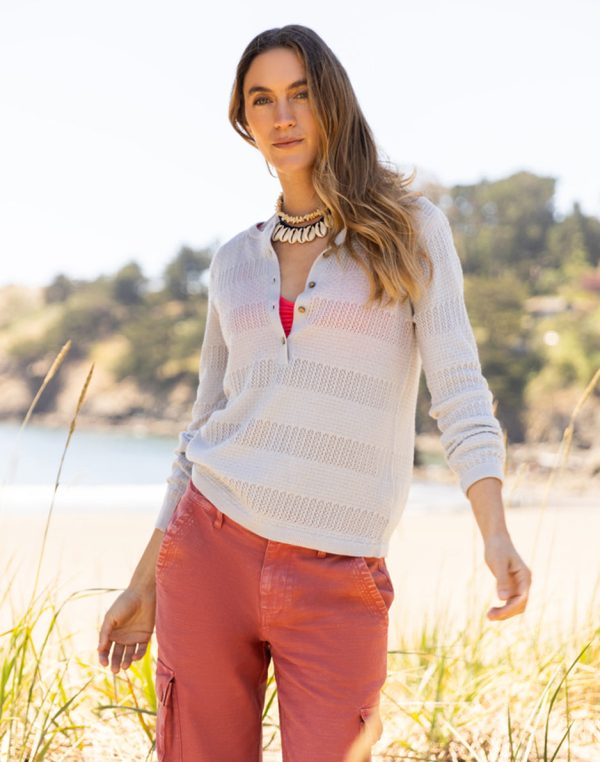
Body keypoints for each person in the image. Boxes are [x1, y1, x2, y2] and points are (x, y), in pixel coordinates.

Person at [97, 24, 532, 762]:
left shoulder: (410, 231)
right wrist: (144, 582)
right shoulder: (233, 263)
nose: (283, 116)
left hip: (339, 569)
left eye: (300, 94)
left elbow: (459, 391)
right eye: (261, 100)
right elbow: (203, 430)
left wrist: (495, 533)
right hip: (208, 550)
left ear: (333, 103)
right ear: (244, 120)